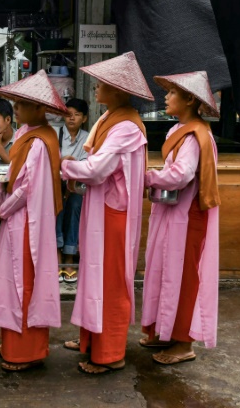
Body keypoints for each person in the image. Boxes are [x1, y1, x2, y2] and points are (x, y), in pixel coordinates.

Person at [60, 51, 153, 374]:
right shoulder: (111, 118)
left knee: (110, 281)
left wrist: (63, 166)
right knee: (96, 275)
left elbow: (98, 169)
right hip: (101, 210)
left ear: (116, 90)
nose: (96, 89)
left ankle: (109, 353)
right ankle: (91, 340)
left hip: (114, 215)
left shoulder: (126, 126)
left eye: (101, 85)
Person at [0, 70, 66, 372]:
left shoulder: (39, 142)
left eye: (20, 105)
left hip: (26, 222)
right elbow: (16, 175)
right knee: (12, 283)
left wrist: (0, 209)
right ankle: (12, 341)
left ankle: (24, 351)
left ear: (39, 108)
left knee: (22, 285)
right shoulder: (27, 134)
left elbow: (26, 188)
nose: (15, 110)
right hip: (19, 218)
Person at [141, 71, 220, 365]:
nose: (165, 97)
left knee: (184, 277)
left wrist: (148, 177)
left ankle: (184, 343)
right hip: (175, 212)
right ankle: (166, 331)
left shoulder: (194, 133)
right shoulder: (181, 130)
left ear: (189, 99)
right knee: (165, 270)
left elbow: (180, 175)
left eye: (172, 93)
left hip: (188, 216)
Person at [56, 98, 90, 283]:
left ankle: (69, 256)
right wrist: (63, 161)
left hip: (77, 187)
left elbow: (88, 164)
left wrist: (71, 164)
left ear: (84, 118)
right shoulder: (55, 134)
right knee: (56, 204)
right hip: (57, 185)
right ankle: (57, 255)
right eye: (69, 114)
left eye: (77, 115)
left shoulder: (87, 137)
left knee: (75, 204)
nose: (72, 118)